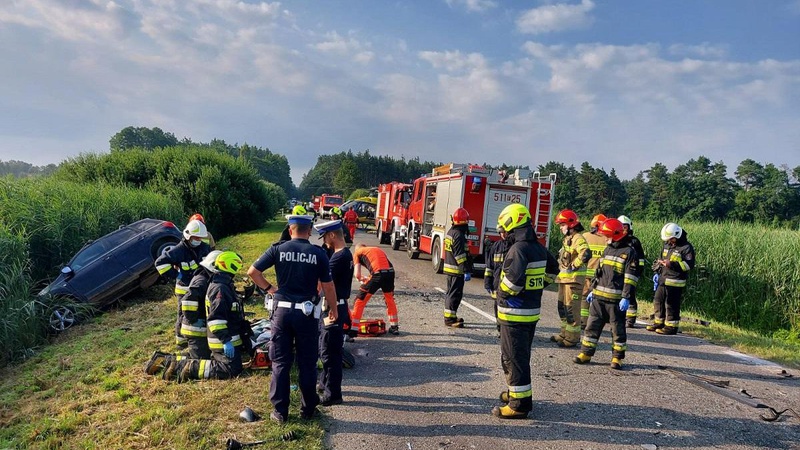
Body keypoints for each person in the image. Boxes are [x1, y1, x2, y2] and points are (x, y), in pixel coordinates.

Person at [247, 214, 338, 424]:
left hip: (282, 314)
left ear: (290, 230)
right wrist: (334, 309)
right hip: (306, 315)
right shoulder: (318, 254)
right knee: (307, 363)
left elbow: (253, 272)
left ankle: (280, 412)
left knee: (280, 362)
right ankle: (308, 410)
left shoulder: (278, 249)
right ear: (309, 232)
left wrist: (271, 289)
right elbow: (328, 286)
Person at [492, 204, 559, 419]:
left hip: (514, 315)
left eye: (503, 229)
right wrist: (536, 287)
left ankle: (519, 405)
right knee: (519, 357)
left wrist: (499, 293)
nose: (502, 233)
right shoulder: (537, 247)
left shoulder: (518, 250)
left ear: (512, 225)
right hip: (529, 313)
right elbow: (553, 270)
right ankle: (515, 392)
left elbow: (512, 285)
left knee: (513, 359)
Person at [161, 251, 250, 382]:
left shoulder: (217, 282)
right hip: (197, 329)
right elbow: (190, 303)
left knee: (203, 358)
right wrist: (194, 320)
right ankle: (182, 366)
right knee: (207, 362)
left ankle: (169, 361)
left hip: (209, 330)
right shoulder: (206, 282)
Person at [574, 218, 638, 370]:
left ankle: (617, 358)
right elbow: (599, 273)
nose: (605, 238)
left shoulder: (629, 253)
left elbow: (631, 278)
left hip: (616, 301)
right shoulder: (608, 249)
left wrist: (626, 297)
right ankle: (586, 353)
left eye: (607, 236)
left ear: (615, 234)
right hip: (598, 298)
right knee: (591, 327)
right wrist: (592, 291)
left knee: (618, 330)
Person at [155, 219, 212, 350]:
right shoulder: (178, 250)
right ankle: (181, 341)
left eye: (200, 237)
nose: (198, 240)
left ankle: (198, 337)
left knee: (199, 311)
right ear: (188, 236)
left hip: (200, 288)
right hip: (184, 289)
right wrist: (176, 275)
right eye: (195, 237)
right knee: (183, 314)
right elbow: (160, 263)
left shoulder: (204, 247)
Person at [314, 220, 354, 406]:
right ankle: (324, 382)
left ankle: (333, 394)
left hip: (333, 309)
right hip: (335, 306)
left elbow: (324, 283)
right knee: (327, 348)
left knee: (330, 352)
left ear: (332, 235)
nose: (324, 242)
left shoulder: (338, 258)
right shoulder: (344, 254)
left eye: (325, 237)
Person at [647, 223, 695, 335]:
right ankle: (659, 322)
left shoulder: (686, 248)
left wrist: (672, 264)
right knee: (658, 300)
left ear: (677, 236)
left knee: (671, 304)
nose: (669, 241)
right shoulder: (667, 245)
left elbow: (689, 265)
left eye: (670, 239)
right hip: (663, 279)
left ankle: (671, 327)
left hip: (675, 281)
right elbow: (661, 258)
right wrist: (658, 269)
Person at [551, 209, 590, 348]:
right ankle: (564, 334)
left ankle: (572, 339)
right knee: (562, 308)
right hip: (565, 280)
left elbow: (586, 254)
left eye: (562, 225)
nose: (561, 228)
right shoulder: (568, 239)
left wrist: (574, 265)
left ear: (571, 224)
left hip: (573, 281)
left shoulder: (578, 238)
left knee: (571, 310)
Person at [351, 243, 399, 335]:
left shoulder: (357, 253)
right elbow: (382, 264)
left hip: (377, 274)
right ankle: (394, 327)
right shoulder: (376, 249)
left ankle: (353, 329)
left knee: (360, 300)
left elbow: (357, 274)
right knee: (389, 298)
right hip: (390, 272)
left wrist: (361, 279)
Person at [443, 208, 471, 327]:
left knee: (451, 293)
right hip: (456, 270)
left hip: (451, 269)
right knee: (454, 294)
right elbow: (460, 255)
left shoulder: (451, 232)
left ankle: (451, 316)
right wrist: (466, 270)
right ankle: (449, 320)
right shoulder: (459, 235)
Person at [617, 215, 646, 328]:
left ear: (629, 227)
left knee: (630, 296)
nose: (623, 229)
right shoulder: (616, 240)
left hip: (631, 273)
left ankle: (630, 319)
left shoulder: (634, 242)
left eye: (625, 226)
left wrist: (638, 273)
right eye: (621, 226)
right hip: (619, 273)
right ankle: (617, 317)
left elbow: (641, 259)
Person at [580, 214, 608, 328]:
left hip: (587, 275)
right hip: (602, 277)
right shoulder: (607, 240)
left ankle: (583, 322)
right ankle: (598, 323)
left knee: (584, 299)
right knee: (600, 301)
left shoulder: (585, 236)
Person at [484, 226, 511, 331]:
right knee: (497, 307)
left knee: (508, 308)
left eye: (505, 232)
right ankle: (500, 328)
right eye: (501, 232)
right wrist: (487, 282)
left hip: (508, 283)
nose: (503, 234)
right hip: (496, 283)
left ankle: (506, 329)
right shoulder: (496, 246)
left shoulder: (514, 247)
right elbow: (489, 266)